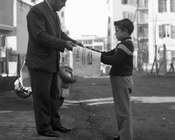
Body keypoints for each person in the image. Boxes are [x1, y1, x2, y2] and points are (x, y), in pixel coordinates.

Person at [25, 0, 83, 137]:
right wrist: (64, 44)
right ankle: (44, 127)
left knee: (53, 96)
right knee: (42, 97)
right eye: (63, 1)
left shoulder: (54, 14)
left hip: (51, 63)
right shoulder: (36, 11)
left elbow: (59, 34)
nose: (64, 4)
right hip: (39, 63)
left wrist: (73, 42)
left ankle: (55, 124)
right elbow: (40, 36)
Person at [100, 18, 134, 140]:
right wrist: (90, 52)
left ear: (125, 31)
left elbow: (113, 60)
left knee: (123, 111)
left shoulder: (126, 44)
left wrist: (97, 57)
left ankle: (126, 137)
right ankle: (123, 135)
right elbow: (108, 53)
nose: (115, 33)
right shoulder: (123, 44)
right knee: (121, 110)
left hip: (122, 80)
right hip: (120, 80)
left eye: (117, 30)